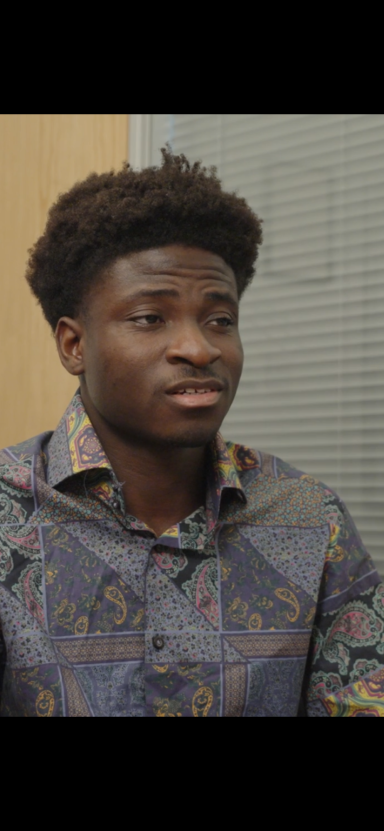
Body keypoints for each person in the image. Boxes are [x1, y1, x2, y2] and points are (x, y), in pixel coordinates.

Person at [0, 149, 383, 718]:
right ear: (74, 346)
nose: (201, 348)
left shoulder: (310, 517)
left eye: (219, 320)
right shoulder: (7, 515)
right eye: (150, 318)